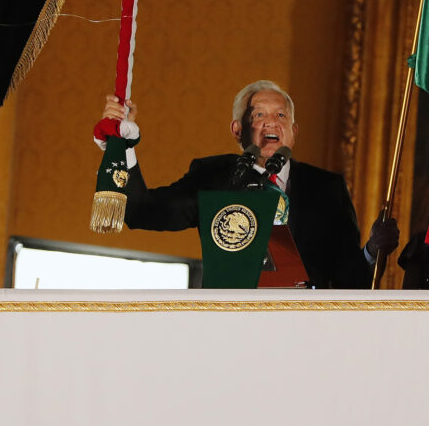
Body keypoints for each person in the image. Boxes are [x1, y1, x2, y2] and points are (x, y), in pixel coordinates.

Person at [100, 80, 398, 288]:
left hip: (303, 336)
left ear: (293, 132)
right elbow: (143, 212)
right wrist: (124, 145)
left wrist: (372, 248)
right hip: (230, 332)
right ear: (237, 129)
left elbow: (349, 278)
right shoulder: (213, 175)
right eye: (259, 115)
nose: (272, 122)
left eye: (281, 115)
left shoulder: (326, 187)